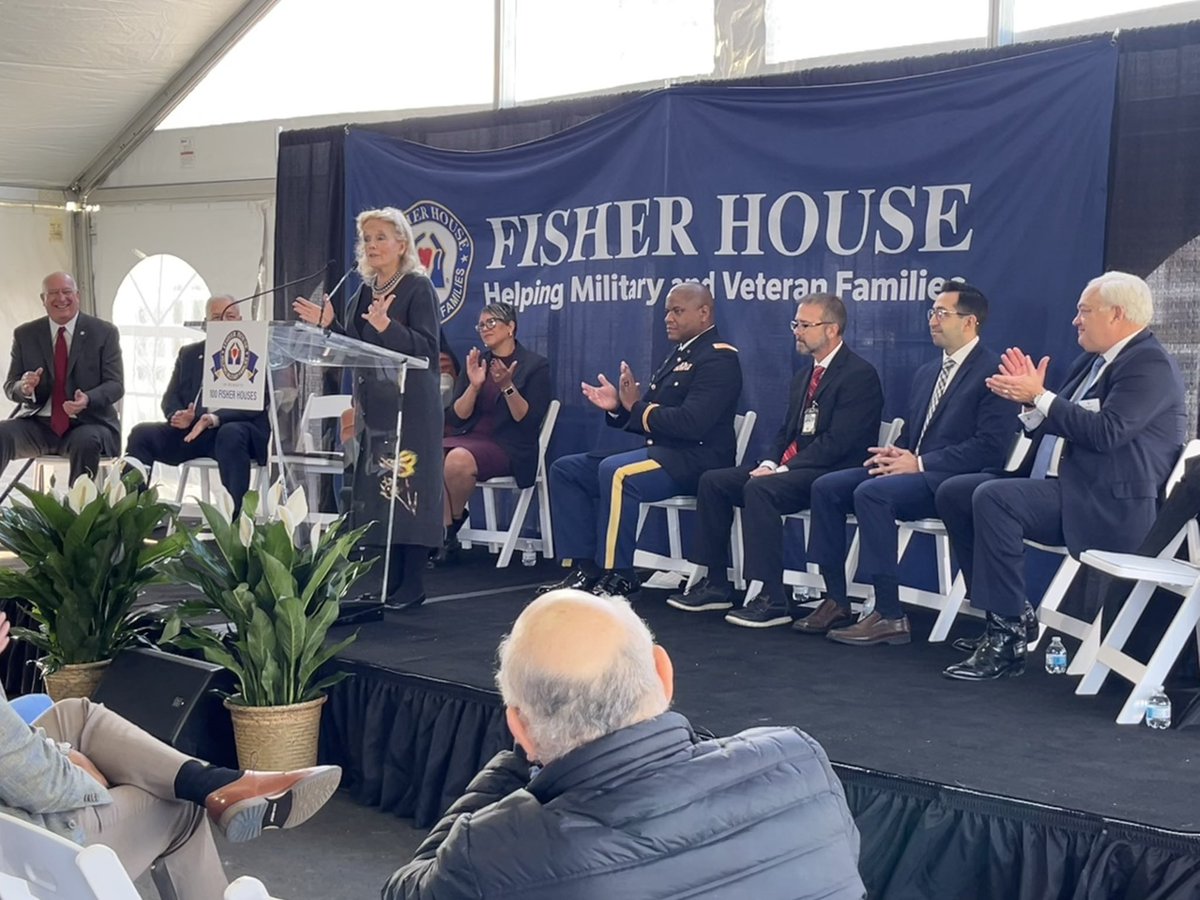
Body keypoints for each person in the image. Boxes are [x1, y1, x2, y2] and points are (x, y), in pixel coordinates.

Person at [382, 590, 866, 899]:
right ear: (664, 673)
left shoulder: (491, 850)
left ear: (519, 726)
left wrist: (518, 763)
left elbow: (404, 890)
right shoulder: (799, 763)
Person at [937, 271, 1187, 680]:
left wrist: (1040, 396)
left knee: (995, 498)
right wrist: (1031, 405)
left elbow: (1107, 433)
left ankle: (1006, 639)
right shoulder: (1092, 361)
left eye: (1084, 311)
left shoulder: (1148, 364)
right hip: (1067, 488)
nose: (1076, 320)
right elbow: (1062, 422)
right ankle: (1010, 611)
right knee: (955, 492)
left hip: (1107, 502)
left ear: (1117, 314)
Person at [0, 612, 340, 900]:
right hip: (23, 847)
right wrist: (82, 770)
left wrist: (61, 753)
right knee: (182, 804)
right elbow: (42, 786)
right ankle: (213, 787)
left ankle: (220, 784)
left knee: (75, 715)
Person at [799, 281, 1015, 644]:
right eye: (932, 312)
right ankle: (835, 598)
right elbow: (915, 434)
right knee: (827, 486)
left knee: (872, 494)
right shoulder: (928, 372)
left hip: (955, 481)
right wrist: (894, 455)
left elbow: (990, 448)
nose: (932, 320)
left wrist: (921, 463)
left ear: (970, 322)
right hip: (916, 472)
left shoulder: (995, 372)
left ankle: (889, 613)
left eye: (942, 313)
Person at [666, 294, 884, 627]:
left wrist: (782, 469)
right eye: (796, 324)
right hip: (792, 470)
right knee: (715, 481)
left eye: (805, 325)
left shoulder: (858, 375)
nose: (797, 331)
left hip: (831, 472)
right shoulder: (804, 376)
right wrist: (770, 462)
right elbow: (786, 433)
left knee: (760, 490)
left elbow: (839, 442)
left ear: (832, 329)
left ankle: (771, 597)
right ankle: (715, 582)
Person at [538, 282, 743, 600]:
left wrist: (636, 407)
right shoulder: (680, 354)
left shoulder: (719, 358)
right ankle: (585, 569)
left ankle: (618, 573)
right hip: (662, 454)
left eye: (677, 311)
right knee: (567, 469)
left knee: (617, 473)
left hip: (696, 461)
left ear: (704, 313)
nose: (668, 318)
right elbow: (647, 417)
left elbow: (692, 423)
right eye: (667, 311)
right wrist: (618, 407)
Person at [293, 208, 442, 610]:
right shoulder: (364, 290)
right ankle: (388, 582)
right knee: (381, 493)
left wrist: (387, 327)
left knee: (408, 490)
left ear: (402, 244)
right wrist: (330, 325)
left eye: (380, 237)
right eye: (367, 239)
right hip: (375, 409)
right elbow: (357, 347)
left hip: (411, 407)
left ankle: (412, 584)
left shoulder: (417, 288)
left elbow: (427, 349)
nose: (372, 245)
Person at [124, 295, 269, 514]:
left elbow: (258, 402)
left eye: (230, 316)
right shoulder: (190, 354)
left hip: (236, 432)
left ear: (240, 320)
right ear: (206, 323)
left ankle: (236, 521)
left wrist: (213, 418)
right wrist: (179, 415)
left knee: (230, 433)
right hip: (193, 432)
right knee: (141, 434)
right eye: (217, 318)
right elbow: (170, 398)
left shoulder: (256, 352)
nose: (224, 322)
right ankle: (134, 514)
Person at [439, 302, 551, 561]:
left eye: (491, 322)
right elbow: (457, 416)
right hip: (470, 437)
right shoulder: (479, 363)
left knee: (457, 459)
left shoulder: (535, 366)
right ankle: (445, 532)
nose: (485, 329)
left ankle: (450, 527)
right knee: (427, 453)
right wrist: (474, 386)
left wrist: (507, 386)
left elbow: (527, 421)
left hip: (509, 445)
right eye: (481, 325)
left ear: (510, 327)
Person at [0, 272, 123, 486]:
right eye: (53, 293)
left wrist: (87, 399)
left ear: (77, 296)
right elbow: (11, 386)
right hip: (38, 424)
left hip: (88, 423)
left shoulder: (104, 332)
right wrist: (25, 388)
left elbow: (115, 385)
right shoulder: (25, 334)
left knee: (86, 442)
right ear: (43, 299)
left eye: (67, 292)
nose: (61, 298)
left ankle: (79, 505)